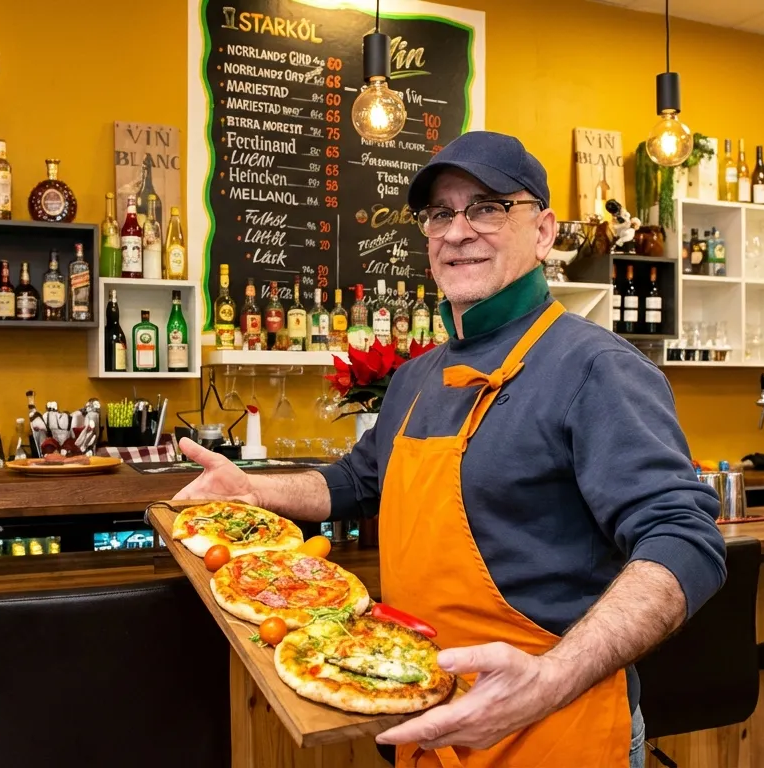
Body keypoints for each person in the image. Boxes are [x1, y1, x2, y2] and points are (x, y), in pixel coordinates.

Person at [174, 130, 726, 768]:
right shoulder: (417, 375)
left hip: (553, 730)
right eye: (440, 214)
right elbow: (356, 481)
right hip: (420, 707)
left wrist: (551, 678)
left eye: (488, 208)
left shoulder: (596, 367)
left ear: (544, 232)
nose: (458, 232)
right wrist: (251, 489)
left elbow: (684, 539)